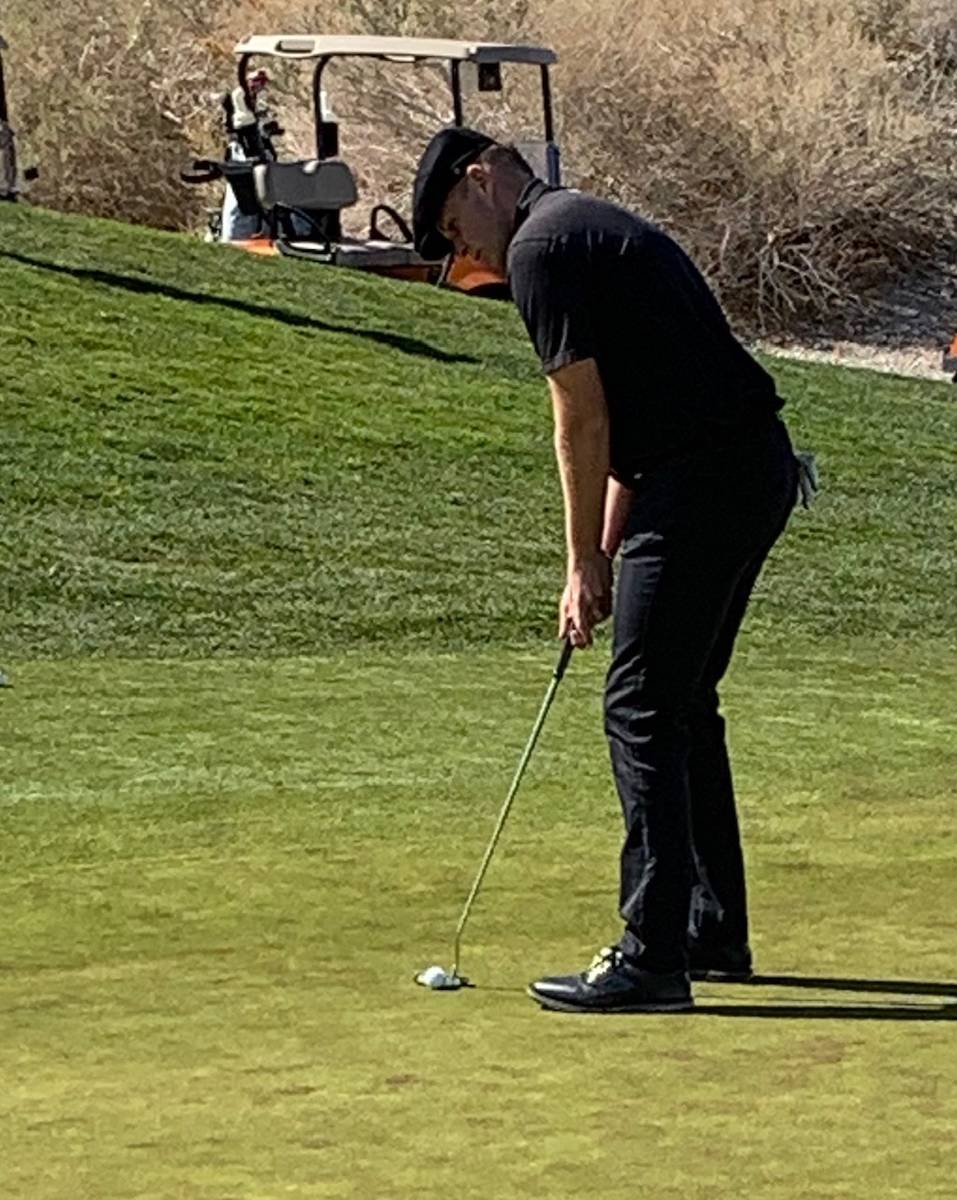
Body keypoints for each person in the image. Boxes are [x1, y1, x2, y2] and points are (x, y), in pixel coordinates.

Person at [412, 127, 801, 1014]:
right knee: (680, 701)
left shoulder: (541, 248)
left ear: (482, 180)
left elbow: (580, 423)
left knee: (640, 707)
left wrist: (581, 562)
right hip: (738, 470)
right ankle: (710, 932)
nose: (465, 250)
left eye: (455, 224)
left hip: (706, 482)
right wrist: (606, 548)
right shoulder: (583, 228)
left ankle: (652, 954)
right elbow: (634, 432)